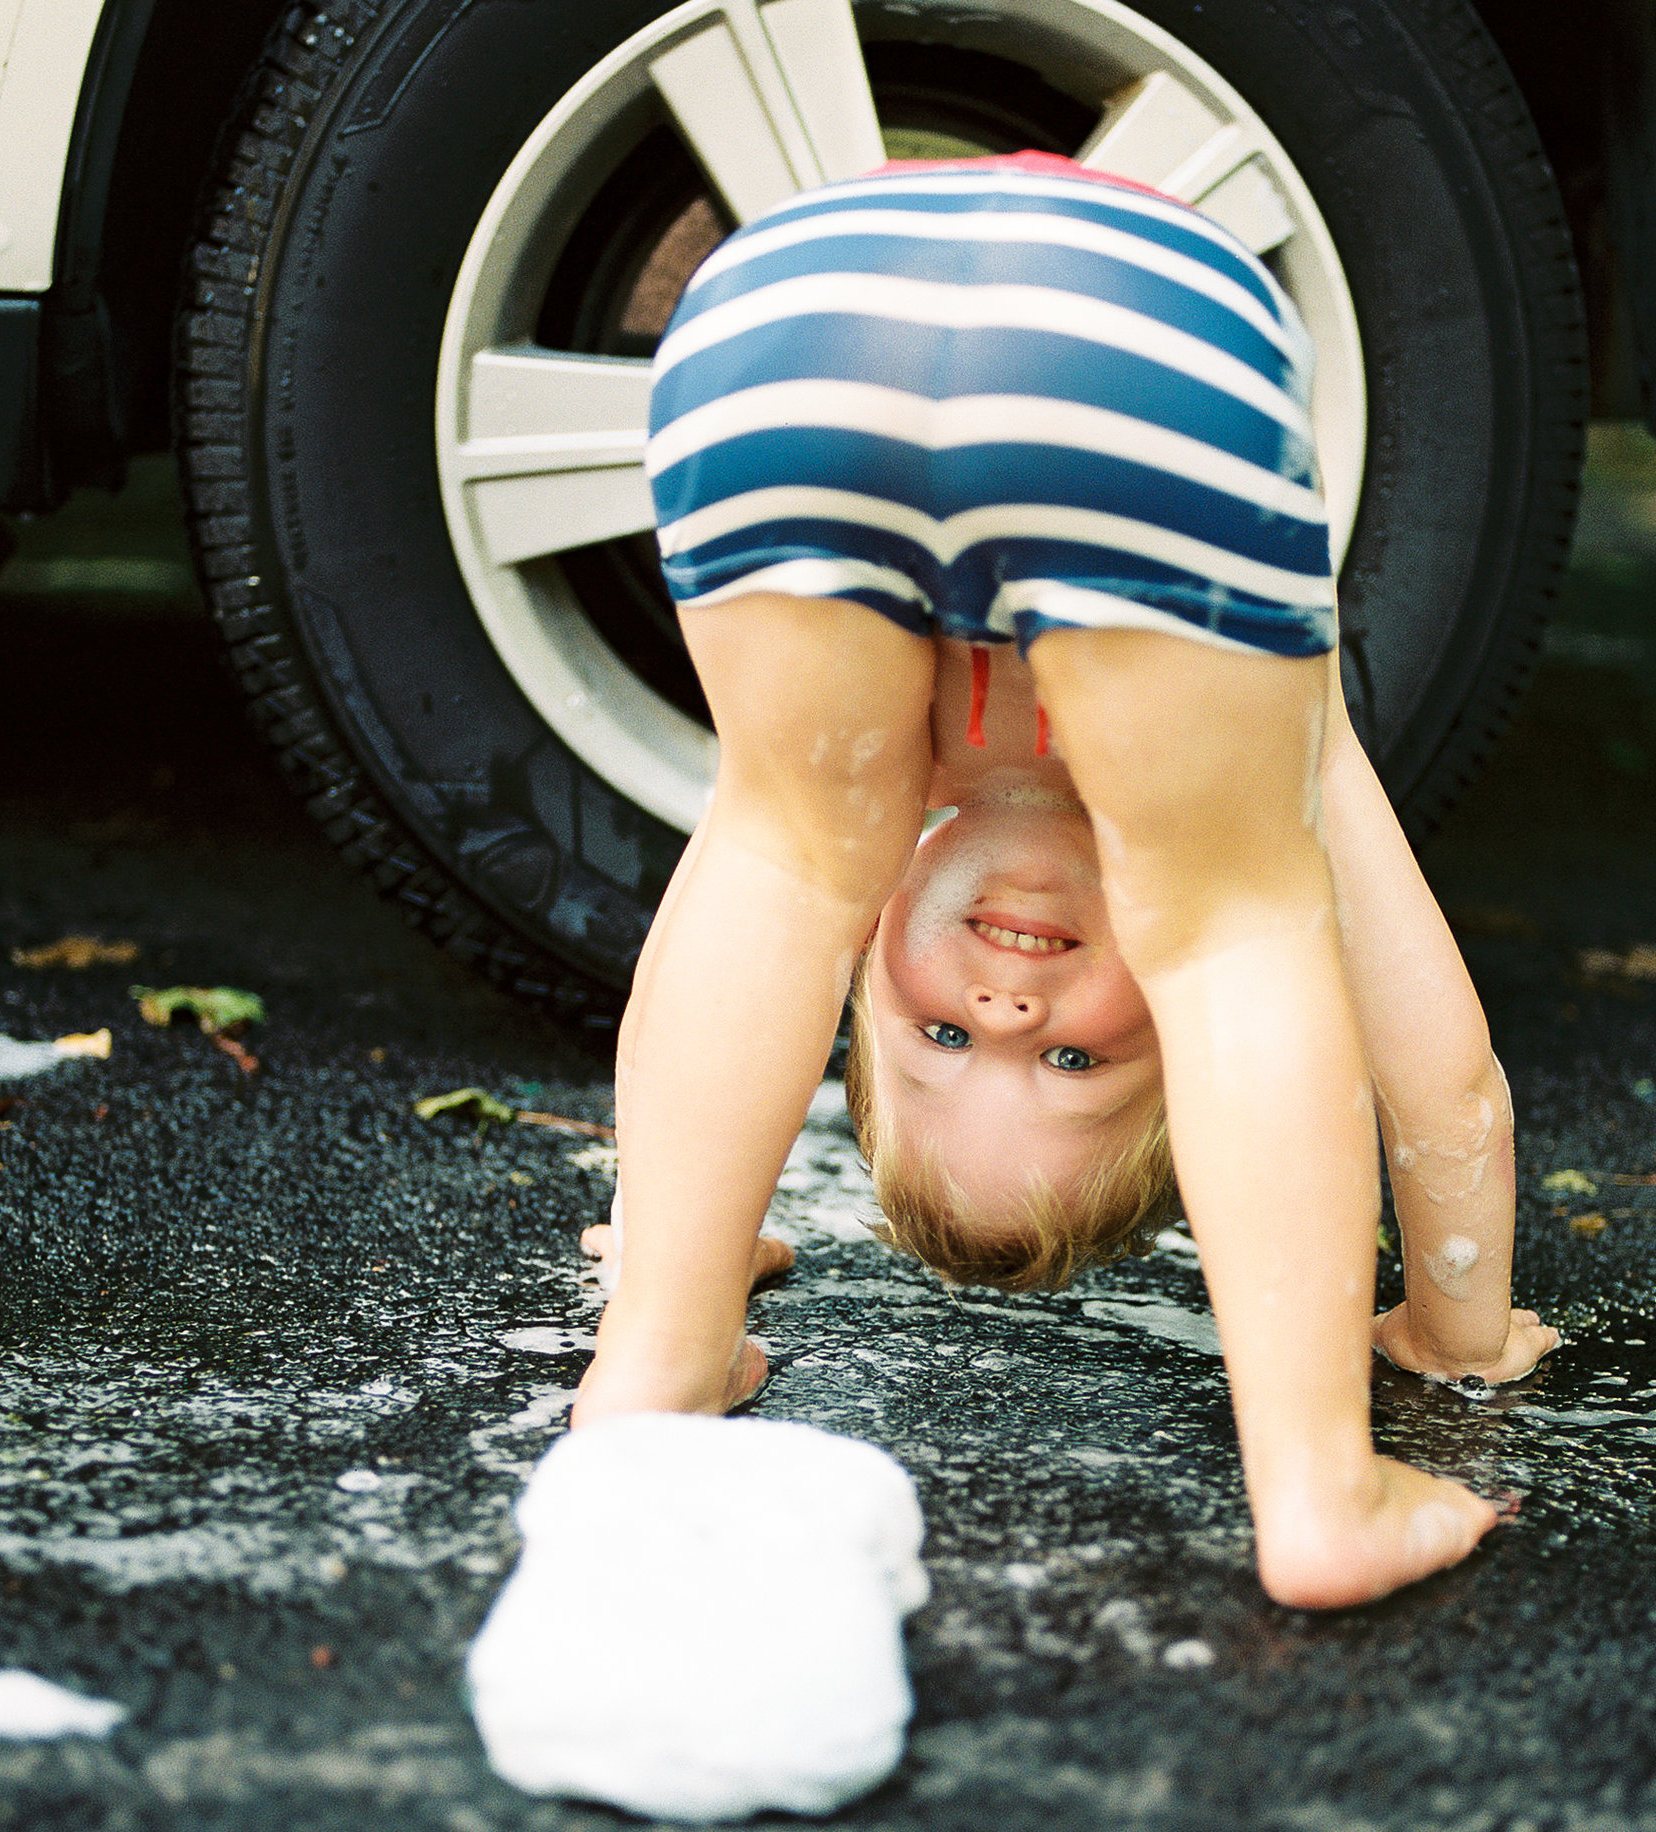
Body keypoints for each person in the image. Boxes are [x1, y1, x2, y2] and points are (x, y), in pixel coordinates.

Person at [571, 151, 1556, 1608]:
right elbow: (1444, 1085)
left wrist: (685, 1236)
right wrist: (1458, 1331)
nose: (1008, 1001)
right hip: (1089, 340)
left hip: (804, 309)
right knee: (1234, 920)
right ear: (1201, 1071)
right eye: (1082, 1053)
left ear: (864, 981)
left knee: (782, 853)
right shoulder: (1268, 766)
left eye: (943, 1038)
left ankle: (657, 1355)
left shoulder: (869, 802)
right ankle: (1318, 1492)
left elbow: (722, 975)